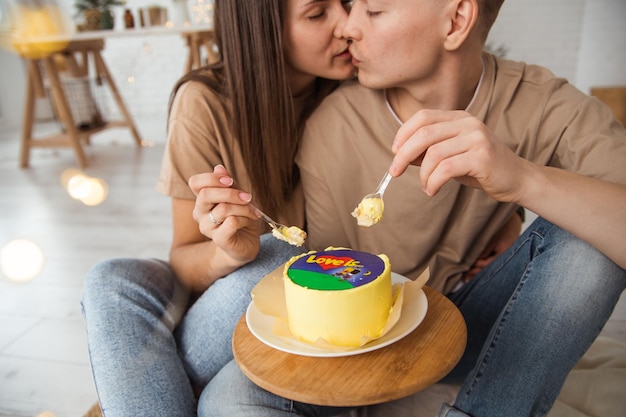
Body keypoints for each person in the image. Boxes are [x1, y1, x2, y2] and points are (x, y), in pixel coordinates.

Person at [199, 0, 626, 416]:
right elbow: (327, 275)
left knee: (588, 234)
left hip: (468, 319)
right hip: (362, 326)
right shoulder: (333, 122)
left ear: (457, 19)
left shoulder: (547, 104)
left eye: (375, 10)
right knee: (229, 399)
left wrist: (522, 181)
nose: (348, 26)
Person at [80, 0, 356, 415]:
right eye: (317, 14)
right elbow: (183, 261)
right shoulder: (204, 103)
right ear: (263, 28)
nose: (348, 23)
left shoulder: (359, 92)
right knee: (110, 280)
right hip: (224, 310)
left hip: (316, 316)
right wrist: (225, 253)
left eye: (348, 2)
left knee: (281, 263)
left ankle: (159, 390)